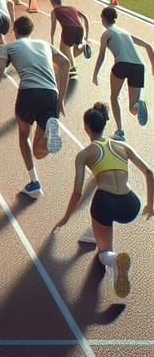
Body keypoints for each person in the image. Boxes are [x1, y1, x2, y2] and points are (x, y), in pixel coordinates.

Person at [53, 102, 154, 299]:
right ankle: (96, 231)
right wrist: (150, 204)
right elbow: (149, 172)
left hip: (105, 204)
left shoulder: (84, 154)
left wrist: (66, 217)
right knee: (104, 217)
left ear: (87, 127)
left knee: (103, 253)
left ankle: (114, 259)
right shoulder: (121, 145)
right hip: (131, 205)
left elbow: (78, 192)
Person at [0, 15, 70, 198]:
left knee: (24, 135)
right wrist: (61, 98)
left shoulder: (9, 47)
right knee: (39, 150)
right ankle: (49, 136)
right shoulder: (45, 45)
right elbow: (65, 63)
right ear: (31, 30)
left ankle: (34, 182)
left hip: (29, 92)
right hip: (50, 93)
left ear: (15, 31)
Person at [93, 6, 154, 139]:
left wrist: (96, 73)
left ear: (104, 19)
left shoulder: (107, 33)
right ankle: (139, 106)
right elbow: (149, 46)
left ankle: (120, 131)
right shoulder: (125, 32)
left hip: (122, 64)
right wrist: (153, 67)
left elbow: (102, 54)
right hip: (139, 66)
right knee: (132, 109)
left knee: (114, 97)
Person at [49, 0, 91, 76]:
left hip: (68, 30)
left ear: (53, 3)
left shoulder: (54, 11)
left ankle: (72, 68)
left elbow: (53, 26)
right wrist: (87, 35)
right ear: (61, 1)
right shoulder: (72, 8)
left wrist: (52, 39)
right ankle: (83, 47)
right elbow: (85, 18)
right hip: (80, 29)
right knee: (73, 53)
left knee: (63, 52)